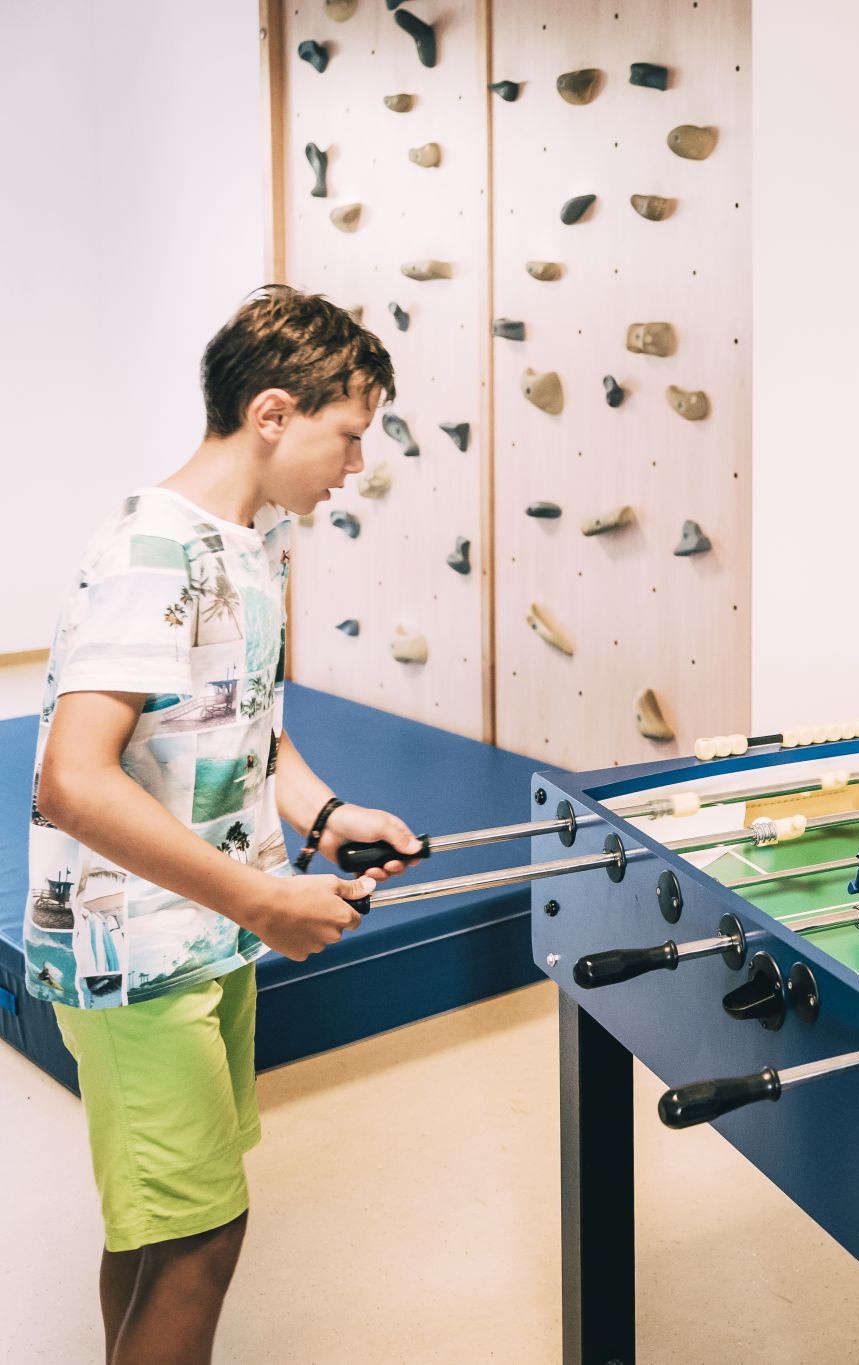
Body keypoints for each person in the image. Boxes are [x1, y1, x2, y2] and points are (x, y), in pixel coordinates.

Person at [26, 285, 423, 1363]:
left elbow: (249, 728)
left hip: (204, 930)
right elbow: (69, 779)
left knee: (156, 1221)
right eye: (347, 437)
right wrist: (259, 896)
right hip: (134, 950)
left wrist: (329, 815)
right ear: (273, 414)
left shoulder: (256, 542)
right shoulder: (149, 553)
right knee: (205, 1233)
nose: (354, 467)